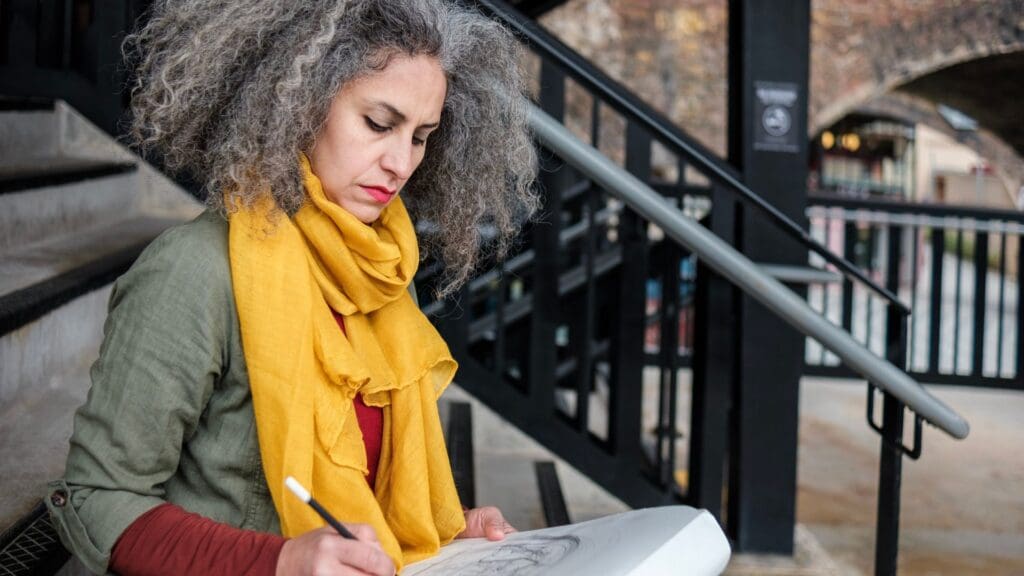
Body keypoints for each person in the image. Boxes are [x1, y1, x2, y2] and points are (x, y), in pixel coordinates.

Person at [45, 1, 539, 574]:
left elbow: (357, 489)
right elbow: (96, 498)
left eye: (421, 136)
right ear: (298, 101)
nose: (401, 162)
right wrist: (277, 561)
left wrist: (448, 533)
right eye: (380, 124)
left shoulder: (374, 272)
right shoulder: (196, 271)